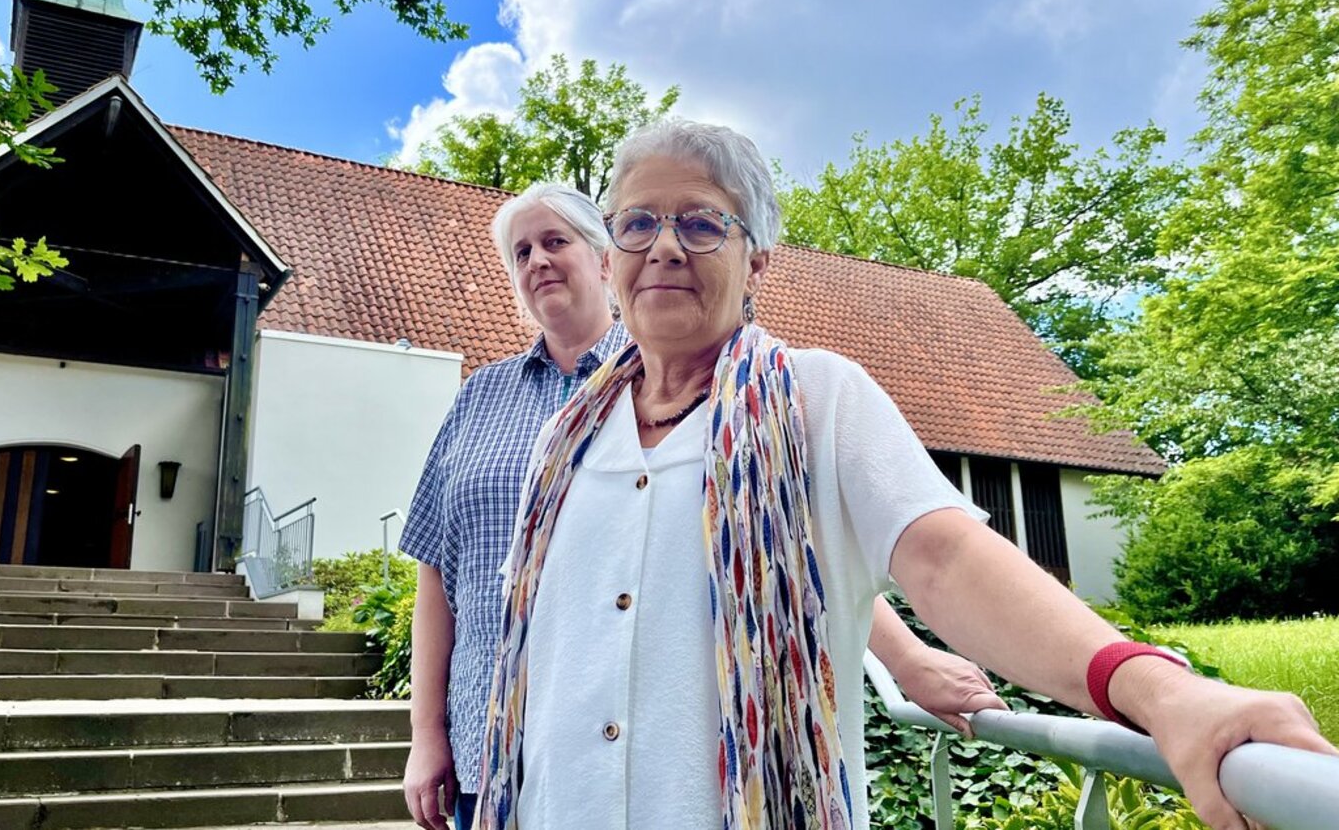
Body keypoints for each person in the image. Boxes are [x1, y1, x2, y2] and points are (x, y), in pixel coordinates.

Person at [474, 121, 1337, 830]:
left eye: (701, 224)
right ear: (613, 257)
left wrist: (1160, 691)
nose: (664, 247)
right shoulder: (563, 440)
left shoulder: (819, 398)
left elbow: (947, 560)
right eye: (637, 224)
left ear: (757, 260)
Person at [400, 183, 1006, 830]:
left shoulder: (699, 376)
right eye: (521, 252)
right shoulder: (480, 397)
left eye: (555, 241)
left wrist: (905, 657)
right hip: (493, 739)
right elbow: (438, 567)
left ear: (604, 258)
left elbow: (782, 548)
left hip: (662, 739)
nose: (538, 261)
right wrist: (426, 732)